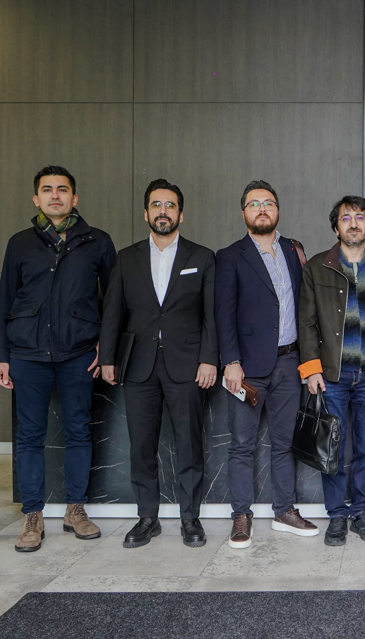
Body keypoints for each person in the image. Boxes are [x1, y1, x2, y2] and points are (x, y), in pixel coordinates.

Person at [0, 166, 116, 552]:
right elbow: (5, 301)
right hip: (27, 353)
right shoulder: (19, 243)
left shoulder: (97, 241)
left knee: (79, 430)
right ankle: (33, 515)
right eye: (47, 190)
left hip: (79, 352)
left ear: (74, 198)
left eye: (63, 190)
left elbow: (114, 301)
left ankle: (75, 509)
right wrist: (0, 356)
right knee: (29, 436)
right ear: (36, 198)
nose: (55, 195)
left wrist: (106, 346)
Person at [99, 179, 218, 549]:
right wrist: (107, 357)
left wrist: (208, 359)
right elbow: (113, 312)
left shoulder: (202, 257)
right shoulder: (127, 257)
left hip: (188, 365)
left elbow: (211, 316)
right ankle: (147, 518)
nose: (163, 211)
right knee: (141, 447)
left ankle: (190, 519)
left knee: (189, 445)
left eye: (170, 205)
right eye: (156, 205)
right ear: (145, 213)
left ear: (181, 214)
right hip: (139, 365)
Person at [215, 180, 318, 548]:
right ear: (243, 212)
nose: (262, 209)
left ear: (277, 210)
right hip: (248, 368)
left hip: (290, 363)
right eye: (254, 203)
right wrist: (231, 361)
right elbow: (224, 313)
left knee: (284, 443)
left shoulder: (294, 251)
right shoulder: (230, 256)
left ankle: (284, 511)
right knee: (242, 445)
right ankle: (241, 515)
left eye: (268, 203)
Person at [298, 196, 365, 546]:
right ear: (336, 227)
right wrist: (311, 368)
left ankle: (362, 513)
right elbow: (306, 322)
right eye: (346, 218)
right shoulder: (317, 266)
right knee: (331, 450)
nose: (353, 223)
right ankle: (337, 515)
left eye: (360, 217)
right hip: (331, 376)